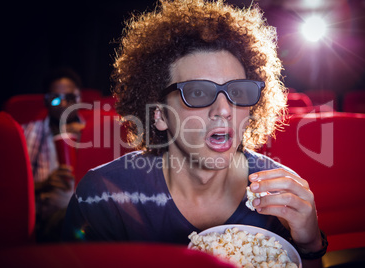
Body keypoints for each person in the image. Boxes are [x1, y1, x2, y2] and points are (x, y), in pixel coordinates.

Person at [62, 0, 326, 266]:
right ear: (160, 115)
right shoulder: (103, 197)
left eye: (237, 92)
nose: (224, 109)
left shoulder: (281, 194)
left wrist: (310, 244)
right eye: (198, 93)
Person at [23, 67, 85, 242]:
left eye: (70, 98)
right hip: (45, 221)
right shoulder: (25, 134)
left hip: (90, 214)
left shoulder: (95, 133)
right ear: (46, 101)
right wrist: (45, 184)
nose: (64, 104)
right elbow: (9, 191)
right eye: (55, 99)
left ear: (80, 100)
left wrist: (90, 138)